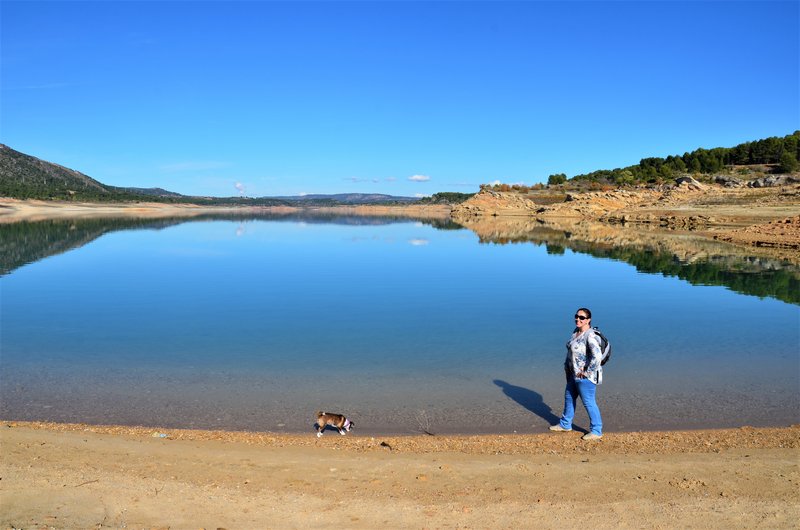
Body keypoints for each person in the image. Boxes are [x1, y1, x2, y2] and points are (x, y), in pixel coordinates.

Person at [549, 307, 603, 440]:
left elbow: (597, 357)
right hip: (573, 374)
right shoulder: (576, 332)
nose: (578, 319)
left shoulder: (590, 335)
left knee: (589, 402)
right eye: (577, 316)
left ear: (588, 320)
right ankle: (565, 424)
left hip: (585, 377)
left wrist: (587, 372)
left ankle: (597, 431)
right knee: (569, 397)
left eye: (582, 318)